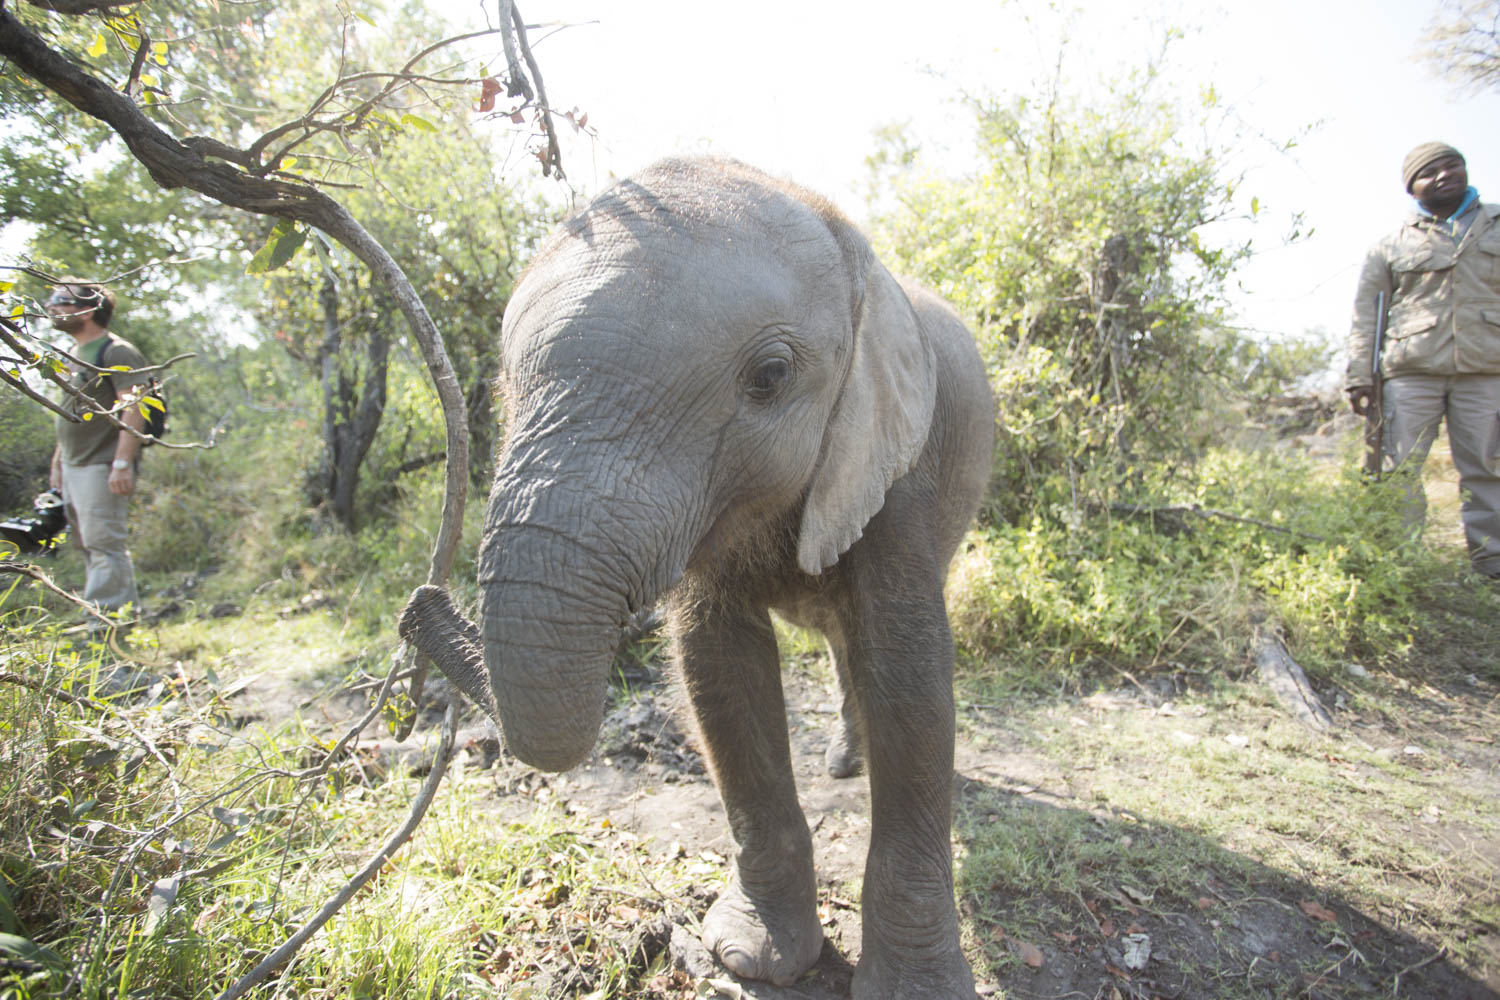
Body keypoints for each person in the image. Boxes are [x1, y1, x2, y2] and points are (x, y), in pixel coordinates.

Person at [1345, 142, 1500, 580]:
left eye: (1452, 165)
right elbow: (1366, 314)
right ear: (1413, 188)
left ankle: (1492, 567)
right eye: (1429, 172)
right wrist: (1360, 376)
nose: (1443, 175)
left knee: (1487, 469)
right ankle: (1399, 564)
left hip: (1488, 371)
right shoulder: (1390, 246)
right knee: (1397, 470)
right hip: (1410, 373)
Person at [46, 281, 151, 616]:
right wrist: (59, 462)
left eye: (62, 301)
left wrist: (122, 463)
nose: (52, 307)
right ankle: (108, 618)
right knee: (89, 546)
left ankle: (108, 630)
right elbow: (70, 415)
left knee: (105, 546)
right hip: (75, 467)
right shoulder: (73, 355)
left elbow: (135, 407)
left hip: (102, 465)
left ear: (88, 310)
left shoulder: (116, 351)